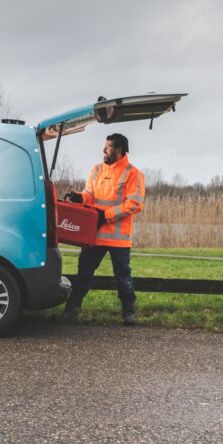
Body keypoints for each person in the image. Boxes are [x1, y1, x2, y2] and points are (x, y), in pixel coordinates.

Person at [60, 133, 146, 326]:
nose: (104, 150)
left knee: (123, 276)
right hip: (94, 235)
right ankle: (72, 310)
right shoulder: (96, 169)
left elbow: (134, 204)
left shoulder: (133, 174)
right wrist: (79, 198)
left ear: (119, 150)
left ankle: (129, 312)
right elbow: (90, 195)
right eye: (105, 147)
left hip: (118, 238)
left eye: (107, 147)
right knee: (84, 273)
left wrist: (104, 216)